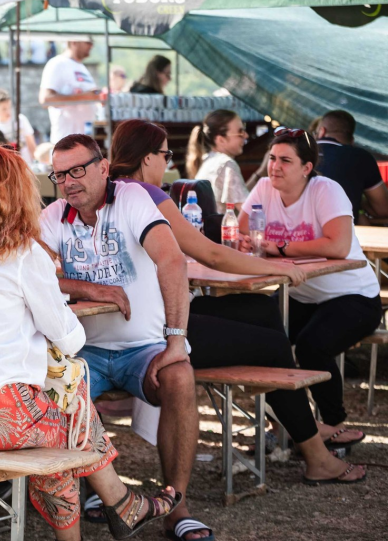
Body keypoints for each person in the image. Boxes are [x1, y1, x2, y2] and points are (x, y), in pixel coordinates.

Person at [0, 141, 179, 541]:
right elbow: (71, 339)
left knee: (59, 411)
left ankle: (121, 504)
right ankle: (119, 504)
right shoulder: (20, 253)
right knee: (69, 392)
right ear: (14, 191)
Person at [107, 119, 365, 487]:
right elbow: (212, 254)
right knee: (273, 343)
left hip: (137, 320)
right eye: (165, 155)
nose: (168, 162)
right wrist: (276, 266)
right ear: (147, 158)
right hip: (152, 331)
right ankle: (316, 455)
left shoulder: (109, 190)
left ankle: (291, 424)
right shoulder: (146, 194)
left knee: (260, 310)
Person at [39, 134, 210, 541]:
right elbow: (36, 274)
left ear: (103, 167)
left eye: (77, 170)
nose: (68, 181)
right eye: (60, 174)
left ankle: (177, 506)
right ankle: (105, 493)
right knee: (57, 386)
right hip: (85, 351)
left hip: (144, 348)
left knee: (180, 376)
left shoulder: (131, 198)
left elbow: (171, 260)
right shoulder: (53, 216)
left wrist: (175, 341)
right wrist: (93, 289)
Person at [238, 128, 382, 449]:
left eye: (285, 160)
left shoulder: (326, 190)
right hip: (299, 294)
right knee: (261, 341)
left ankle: (334, 426)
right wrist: (256, 243)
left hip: (353, 296)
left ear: (306, 168)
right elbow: (244, 230)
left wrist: (282, 247)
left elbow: (339, 245)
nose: (274, 166)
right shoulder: (263, 188)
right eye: (272, 158)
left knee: (310, 346)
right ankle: (283, 425)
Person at [314, 110, 388, 221]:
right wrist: (358, 200)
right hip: (343, 232)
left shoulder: (294, 152)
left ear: (321, 132)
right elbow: (383, 209)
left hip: (293, 232)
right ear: (352, 140)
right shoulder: (360, 157)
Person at [187, 109, 261, 205]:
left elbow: (240, 194)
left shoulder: (208, 160)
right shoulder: (227, 164)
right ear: (221, 140)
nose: (246, 136)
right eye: (240, 132)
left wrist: (261, 171)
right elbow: (249, 212)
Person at [39, 40, 101, 143]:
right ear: (74, 42)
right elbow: (46, 99)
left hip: (85, 141)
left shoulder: (81, 67)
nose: (91, 45)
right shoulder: (57, 63)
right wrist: (85, 97)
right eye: (87, 42)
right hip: (67, 143)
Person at [0, 88, 36, 159]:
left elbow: (30, 142)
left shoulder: (20, 119)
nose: (8, 111)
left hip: (24, 161)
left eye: (9, 107)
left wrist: (35, 160)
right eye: (4, 109)